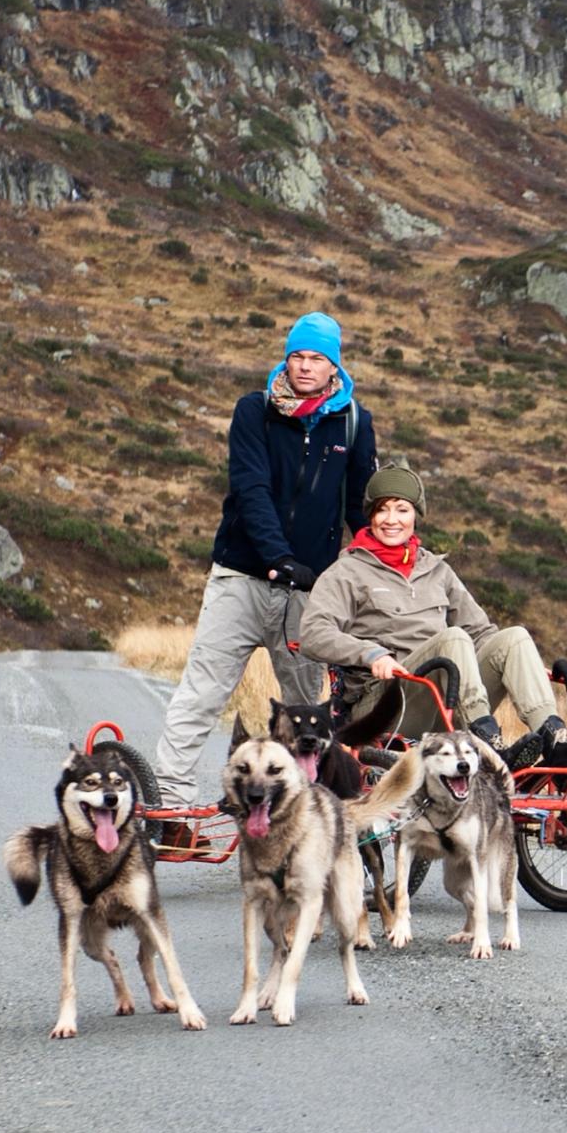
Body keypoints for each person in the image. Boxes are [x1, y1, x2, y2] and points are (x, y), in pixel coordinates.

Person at [152, 311, 374, 802]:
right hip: (242, 577)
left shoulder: (355, 423)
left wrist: (376, 566)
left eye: (317, 358)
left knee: (305, 715)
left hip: (307, 593)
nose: (305, 367)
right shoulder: (254, 411)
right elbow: (250, 489)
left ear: (334, 366)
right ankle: (169, 804)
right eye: (297, 356)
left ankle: (303, 807)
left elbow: (359, 508)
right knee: (203, 694)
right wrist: (277, 556)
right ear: (286, 358)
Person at [298, 462, 567, 769]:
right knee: (453, 639)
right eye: (382, 510)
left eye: (402, 510)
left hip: (447, 700)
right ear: (370, 515)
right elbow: (313, 632)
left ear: (416, 514)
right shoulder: (347, 571)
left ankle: (557, 744)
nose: (391, 520)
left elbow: (482, 632)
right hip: (385, 706)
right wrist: (369, 653)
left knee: (513, 637)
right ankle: (488, 746)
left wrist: (528, 668)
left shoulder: (436, 570)